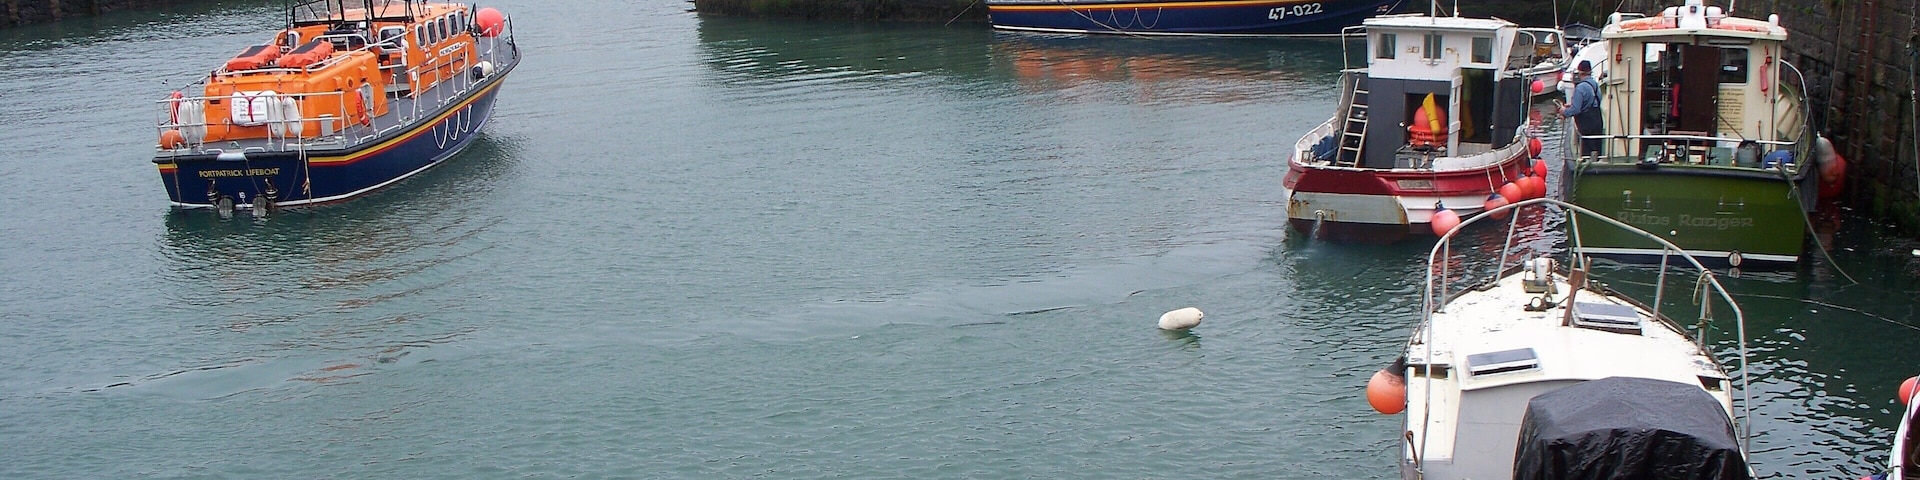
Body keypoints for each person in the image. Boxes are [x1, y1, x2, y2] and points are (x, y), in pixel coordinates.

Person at [1561, 60, 1604, 158]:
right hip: (1597, 121)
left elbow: (1576, 110)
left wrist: (1564, 111)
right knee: (1597, 148)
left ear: (1580, 72)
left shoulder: (1580, 88)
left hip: (1586, 124)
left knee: (1586, 152)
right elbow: (1598, 101)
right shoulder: (1595, 85)